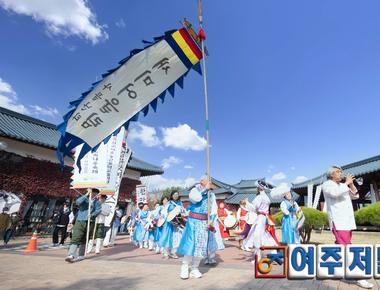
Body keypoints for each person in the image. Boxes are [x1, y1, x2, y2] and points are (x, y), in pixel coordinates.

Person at [322, 166, 373, 289]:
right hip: (338, 221)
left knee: (342, 246)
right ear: (331, 175)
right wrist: (347, 183)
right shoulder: (327, 185)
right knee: (347, 248)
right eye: (338, 172)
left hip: (346, 221)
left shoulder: (342, 185)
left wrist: (351, 185)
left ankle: (335, 270)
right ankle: (359, 277)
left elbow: (355, 196)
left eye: (341, 172)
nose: (340, 174)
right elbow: (334, 194)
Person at [177, 177, 213, 279]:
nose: (210, 182)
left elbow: (213, 208)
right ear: (202, 181)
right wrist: (206, 189)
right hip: (194, 221)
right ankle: (184, 267)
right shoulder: (194, 190)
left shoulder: (211, 194)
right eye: (207, 180)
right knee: (191, 244)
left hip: (204, 222)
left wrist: (212, 219)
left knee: (201, 246)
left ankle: (194, 268)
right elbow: (197, 199)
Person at [242, 182, 279, 263]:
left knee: (257, 236)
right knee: (267, 236)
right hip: (266, 218)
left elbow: (254, 208)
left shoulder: (259, 197)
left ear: (258, 188)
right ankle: (275, 255)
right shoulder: (267, 197)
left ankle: (258, 258)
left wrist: (246, 203)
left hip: (260, 219)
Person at [65, 188, 101, 263]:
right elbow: (78, 202)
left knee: (85, 238)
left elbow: (98, 210)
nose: (94, 195)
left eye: (95, 194)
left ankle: (81, 255)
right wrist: (86, 194)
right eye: (93, 193)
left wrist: (92, 214)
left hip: (90, 222)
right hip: (80, 220)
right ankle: (71, 254)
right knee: (76, 237)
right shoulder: (84, 199)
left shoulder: (97, 202)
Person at [159, 191, 185, 259]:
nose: (176, 195)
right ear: (172, 195)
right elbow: (164, 211)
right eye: (174, 194)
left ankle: (173, 252)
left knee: (177, 238)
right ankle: (166, 253)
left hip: (177, 223)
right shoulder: (169, 203)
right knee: (168, 238)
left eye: (177, 194)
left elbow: (183, 211)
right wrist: (162, 216)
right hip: (169, 223)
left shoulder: (180, 203)